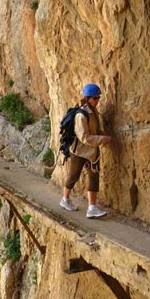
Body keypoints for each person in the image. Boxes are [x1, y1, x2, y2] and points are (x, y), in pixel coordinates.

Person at [59, 83, 113, 218]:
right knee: (73, 176)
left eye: (98, 98)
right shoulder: (81, 115)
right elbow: (84, 137)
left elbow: (94, 130)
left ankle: (92, 207)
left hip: (92, 152)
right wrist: (102, 139)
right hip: (79, 151)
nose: (97, 101)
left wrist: (103, 135)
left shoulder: (94, 112)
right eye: (95, 98)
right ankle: (65, 199)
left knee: (94, 177)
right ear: (88, 98)